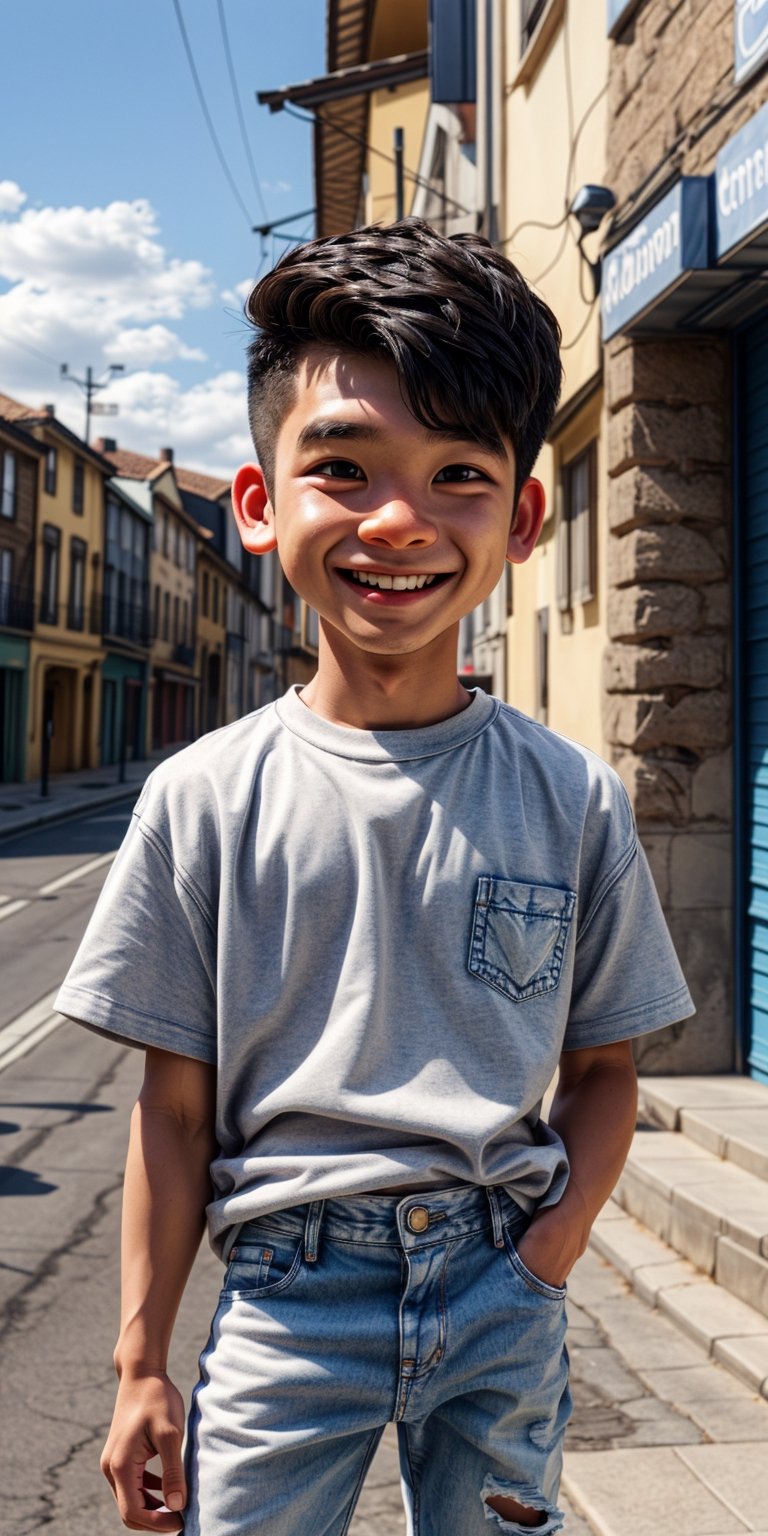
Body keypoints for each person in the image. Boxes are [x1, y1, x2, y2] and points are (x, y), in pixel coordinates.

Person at [56, 218, 694, 1536]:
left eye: (457, 470)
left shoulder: (569, 796)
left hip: (500, 1282)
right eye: (341, 466)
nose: (398, 519)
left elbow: (608, 1073)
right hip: (291, 1297)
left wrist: (544, 1258)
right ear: (259, 503)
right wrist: (138, 1369)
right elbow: (173, 1118)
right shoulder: (205, 800)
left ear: (524, 516)